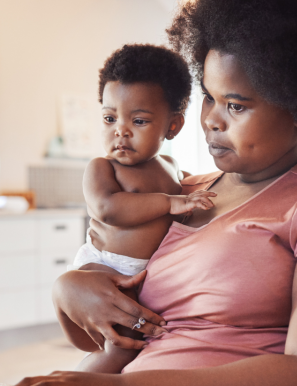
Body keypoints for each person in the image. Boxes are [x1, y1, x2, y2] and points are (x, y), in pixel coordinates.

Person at [17, 0, 297, 385]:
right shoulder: (179, 192)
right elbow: (100, 340)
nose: (211, 121)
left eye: (236, 105)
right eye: (209, 98)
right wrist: (68, 288)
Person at [70, 43, 217, 374]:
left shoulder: (172, 167)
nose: (120, 130)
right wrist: (170, 203)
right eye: (110, 118)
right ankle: (80, 379)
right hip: (103, 267)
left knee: (143, 347)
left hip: (142, 274)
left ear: (173, 126)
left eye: (138, 120)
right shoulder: (102, 168)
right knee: (119, 348)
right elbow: (109, 208)